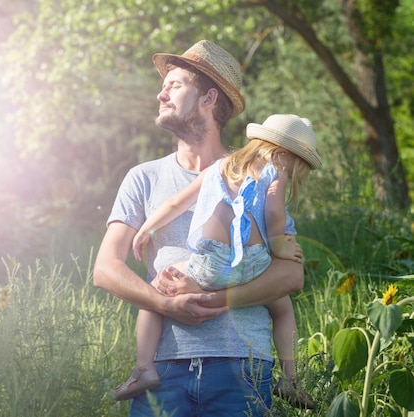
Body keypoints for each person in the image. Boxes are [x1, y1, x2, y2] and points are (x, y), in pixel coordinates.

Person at [93, 39, 305, 417]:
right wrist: (166, 304)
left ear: (208, 99)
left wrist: (215, 300)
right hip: (164, 368)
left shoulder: (255, 174)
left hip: (242, 368)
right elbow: (105, 269)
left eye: (174, 85)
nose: (161, 93)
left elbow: (290, 275)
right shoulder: (144, 177)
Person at [114, 114, 320, 410]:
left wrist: (149, 227)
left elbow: (175, 203)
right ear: (282, 153)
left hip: (213, 261)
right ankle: (290, 377)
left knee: (157, 287)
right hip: (253, 266)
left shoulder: (221, 167)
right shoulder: (276, 169)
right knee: (283, 307)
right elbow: (275, 213)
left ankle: (144, 368)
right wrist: (280, 247)